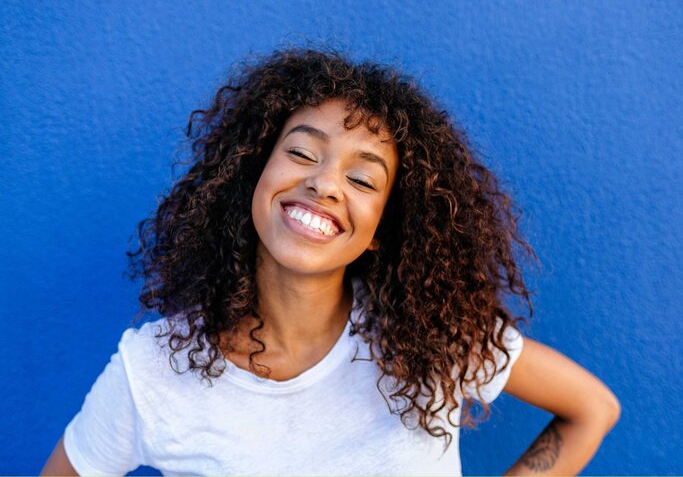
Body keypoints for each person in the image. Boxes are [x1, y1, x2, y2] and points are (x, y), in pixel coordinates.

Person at [42, 47, 620, 476]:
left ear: (379, 232)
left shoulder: (433, 337)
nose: (323, 184)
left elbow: (591, 408)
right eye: (300, 152)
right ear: (253, 177)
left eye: (362, 178)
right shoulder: (151, 372)